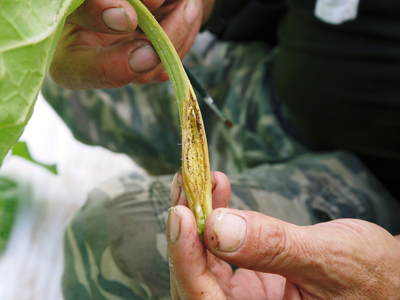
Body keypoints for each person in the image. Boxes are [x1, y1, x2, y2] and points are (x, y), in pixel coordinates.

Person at [43, 0, 400, 298]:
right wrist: (203, 4)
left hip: (378, 182)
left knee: (119, 241)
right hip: (272, 87)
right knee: (70, 48)